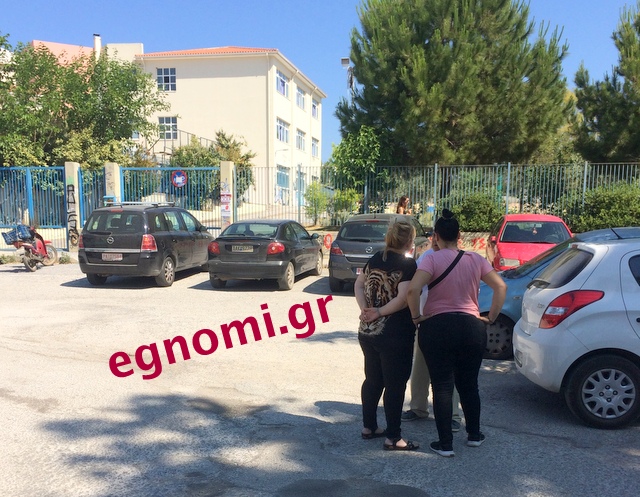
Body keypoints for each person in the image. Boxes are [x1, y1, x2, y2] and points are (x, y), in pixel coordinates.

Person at [407, 209, 506, 457]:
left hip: (438, 326)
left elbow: (413, 290)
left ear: (436, 236)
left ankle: (445, 444)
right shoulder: (475, 259)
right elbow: (500, 286)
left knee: (441, 386)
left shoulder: (431, 259)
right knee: (469, 385)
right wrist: (491, 317)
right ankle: (474, 435)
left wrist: (416, 317)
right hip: (471, 326)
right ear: (459, 235)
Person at [355, 220, 420, 451]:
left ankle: (369, 427)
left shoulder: (374, 258)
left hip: (368, 332)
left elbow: (359, 284)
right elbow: (404, 298)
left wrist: (365, 309)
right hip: (395, 335)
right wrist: (380, 312)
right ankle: (393, 437)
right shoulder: (408, 264)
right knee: (395, 385)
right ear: (410, 241)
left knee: (372, 379)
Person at [402, 235, 463, 432]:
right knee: (420, 367)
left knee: (449, 370)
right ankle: (418, 407)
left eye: (439, 237)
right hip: (426, 320)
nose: (436, 241)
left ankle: (453, 415)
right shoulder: (426, 257)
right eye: (434, 237)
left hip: (451, 320)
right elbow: (414, 288)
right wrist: (415, 316)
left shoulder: (461, 258)